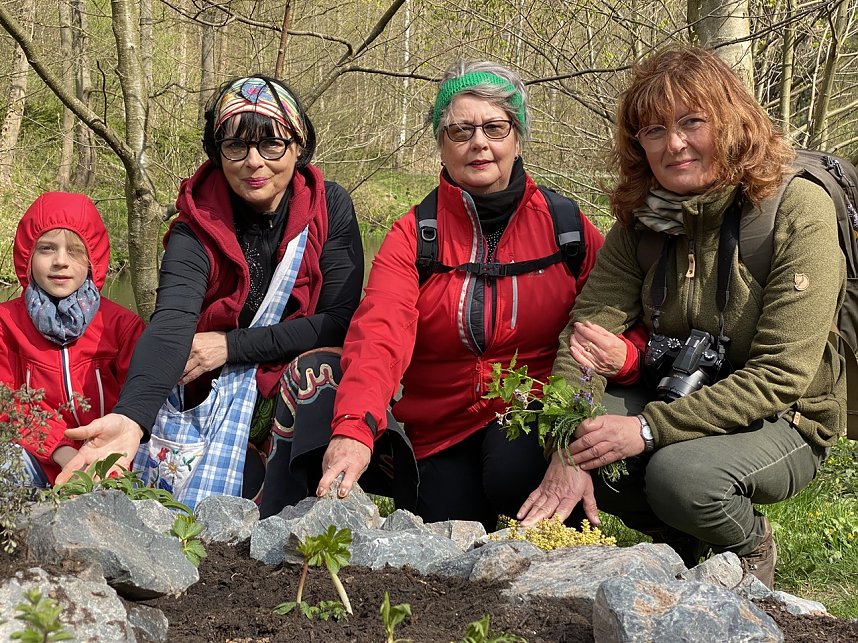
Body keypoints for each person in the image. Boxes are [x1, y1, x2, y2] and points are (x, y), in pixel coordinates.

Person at [519, 46, 845, 589]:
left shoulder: (795, 210)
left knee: (682, 479)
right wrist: (568, 444)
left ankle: (748, 542)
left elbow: (781, 375)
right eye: (653, 130)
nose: (674, 144)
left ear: (732, 122)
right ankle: (680, 544)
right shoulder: (644, 220)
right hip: (681, 390)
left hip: (784, 416)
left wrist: (647, 429)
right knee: (580, 434)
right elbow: (588, 332)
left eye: (693, 122)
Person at [319, 61, 643, 531]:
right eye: (460, 130)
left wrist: (628, 359)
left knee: (513, 474)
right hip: (440, 428)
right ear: (441, 143)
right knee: (444, 555)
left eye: (495, 126)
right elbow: (379, 333)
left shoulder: (566, 227)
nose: (479, 142)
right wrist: (354, 427)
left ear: (517, 136)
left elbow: (621, 317)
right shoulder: (415, 234)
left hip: (531, 413)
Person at [55, 76, 364, 515]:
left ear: (298, 146)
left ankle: (313, 507)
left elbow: (338, 320)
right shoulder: (196, 228)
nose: (254, 162)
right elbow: (171, 324)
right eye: (236, 146)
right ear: (218, 154)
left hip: (286, 388)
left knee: (323, 368)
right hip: (210, 394)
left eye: (272, 145)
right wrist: (130, 418)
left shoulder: (329, 207)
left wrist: (229, 346)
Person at [0, 192, 145, 487]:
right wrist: (61, 450)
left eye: (76, 251)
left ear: (94, 259)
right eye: (46, 249)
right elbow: (6, 402)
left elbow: (140, 399)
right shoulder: (5, 322)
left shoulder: (121, 325)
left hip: (110, 460)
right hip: (37, 459)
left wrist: (103, 467)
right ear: (27, 255)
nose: (61, 262)